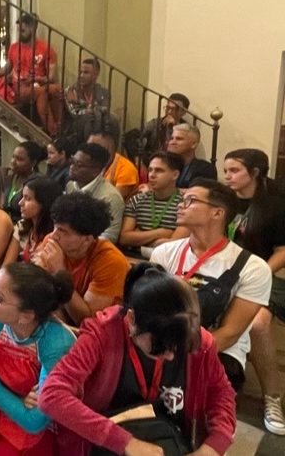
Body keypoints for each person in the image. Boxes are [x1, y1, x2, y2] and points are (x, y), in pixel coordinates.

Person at [38, 264, 237, 456]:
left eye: (178, 348)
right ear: (132, 320)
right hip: (106, 445)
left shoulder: (195, 341)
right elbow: (51, 394)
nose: (170, 356)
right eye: (160, 346)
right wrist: (125, 442)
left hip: (172, 440)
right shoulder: (101, 334)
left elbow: (221, 393)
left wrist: (213, 447)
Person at [150, 178, 272, 391]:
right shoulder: (164, 253)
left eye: (190, 200)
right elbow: (149, 308)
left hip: (217, 350)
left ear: (217, 213)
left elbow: (230, 332)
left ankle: (271, 397)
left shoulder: (252, 267)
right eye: (182, 200)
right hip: (164, 341)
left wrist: (179, 357)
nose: (180, 205)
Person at [0, 263, 76, 456]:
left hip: (42, 428)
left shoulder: (55, 343)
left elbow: (35, 421)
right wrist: (18, 401)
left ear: (26, 316)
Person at [223, 149, 285, 434]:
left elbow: (282, 251)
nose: (227, 176)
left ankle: (273, 397)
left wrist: (258, 273)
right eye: (226, 170)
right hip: (224, 273)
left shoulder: (275, 206)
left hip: (264, 274)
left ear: (255, 173)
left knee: (257, 323)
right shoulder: (223, 200)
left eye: (234, 170)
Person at [33, 192, 130, 326]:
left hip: (103, 330)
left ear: (87, 239)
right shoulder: (52, 242)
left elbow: (87, 321)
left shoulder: (111, 261)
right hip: (61, 321)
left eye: (62, 231)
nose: (53, 235)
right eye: (55, 227)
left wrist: (60, 274)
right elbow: (36, 292)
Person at [0, 13, 61, 135]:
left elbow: (51, 77)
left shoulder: (46, 48)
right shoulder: (14, 47)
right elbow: (7, 68)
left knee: (57, 89)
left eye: (23, 30)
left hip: (38, 84)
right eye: (19, 29)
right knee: (41, 93)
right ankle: (53, 132)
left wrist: (38, 79)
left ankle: (60, 126)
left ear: (33, 27)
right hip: (21, 87)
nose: (20, 32)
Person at [120, 151, 189, 254]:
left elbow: (174, 244)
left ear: (175, 175)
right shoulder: (137, 200)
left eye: (159, 171)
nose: (151, 175)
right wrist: (161, 233)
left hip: (167, 260)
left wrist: (139, 236)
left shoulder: (185, 204)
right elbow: (124, 238)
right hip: (134, 258)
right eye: (150, 170)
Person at [66, 143, 125, 243]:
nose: (72, 167)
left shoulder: (110, 197)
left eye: (79, 165)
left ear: (96, 171)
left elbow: (109, 237)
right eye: (72, 161)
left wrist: (77, 243)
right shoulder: (70, 186)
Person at [3, 177, 62, 264]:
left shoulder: (55, 235)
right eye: (22, 197)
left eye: (27, 198)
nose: (20, 203)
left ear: (44, 203)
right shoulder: (22, 226)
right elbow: (7, 264)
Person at [65, 58, 115, 144]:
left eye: (86, 73)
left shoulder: (103, 92)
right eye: (80, 72)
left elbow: (105, 109)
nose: (81, 75)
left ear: (96, 75)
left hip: (97, 122)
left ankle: (109, 149)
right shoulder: (71, 90)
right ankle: (90, 148)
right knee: (94, 116)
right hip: (75, 127)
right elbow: (74, 113)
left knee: (113, 120)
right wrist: (95, 109)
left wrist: (80, 102)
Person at [88, 130, 139, 200]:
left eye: (92, 148)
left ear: (107, 147)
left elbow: (113, 199)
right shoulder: (96, 164)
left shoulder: (126, 169)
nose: (88, 151)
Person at [4, 141, 45, 223]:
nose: (13, 162)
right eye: (13, 157)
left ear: (33, 162)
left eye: (19, 159)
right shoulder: (9, 178)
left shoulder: (38, 183)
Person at [167, 123, 217, 188]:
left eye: (179, 139)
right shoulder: (164, 165)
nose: (172, 142)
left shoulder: (206, 168)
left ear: (194, 144)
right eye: (171, 138)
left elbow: (201, 191)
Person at [143, 93, 191, 158]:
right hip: (153, 159)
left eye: (174, 109)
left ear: (184, 112)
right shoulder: (156, 122)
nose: (169, 112)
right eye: (168, 108)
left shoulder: (186, 129)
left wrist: (173, 127)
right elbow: (137, 133)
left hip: (174, 161)